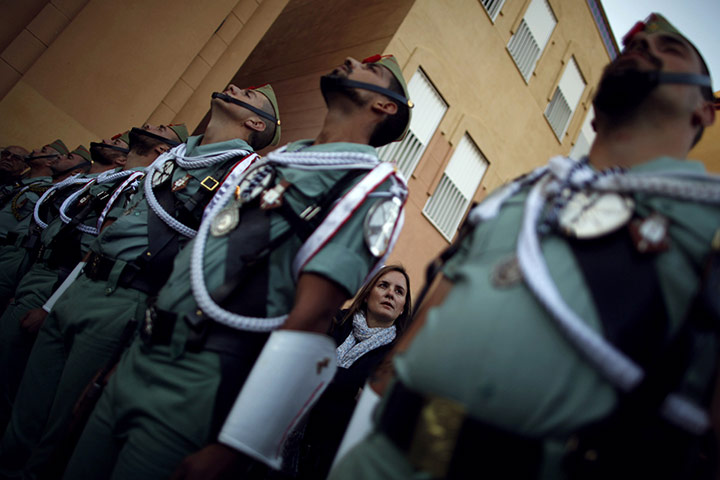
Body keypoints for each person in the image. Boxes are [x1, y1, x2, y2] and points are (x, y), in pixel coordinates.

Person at [330, 13, 720, 480]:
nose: (644, 52)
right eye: (634, 48)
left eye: (670, 52)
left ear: (705, 112)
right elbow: (422, 327)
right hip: (382, 455)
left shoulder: (709, 229)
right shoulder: (522, 196)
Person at [63, 53, 411, 480]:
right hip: (143, 354)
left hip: (198, 379)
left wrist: (237, 444)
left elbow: (313, 317)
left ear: (384, 106)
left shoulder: (369, 188)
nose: (353, 59)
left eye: (370, 70)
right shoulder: (282, 160)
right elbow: (197, 264)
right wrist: (121, 364)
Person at [0, 123, 191, 478]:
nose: (149, 125)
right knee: (27, 400)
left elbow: (93, 248)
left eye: (161, 128)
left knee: (45, 413)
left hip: (82, 289)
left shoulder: (146, 186)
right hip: (60, 282)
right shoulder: (110, 182)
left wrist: (50, 303)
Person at [294, 265, 412, 480]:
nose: (390, 294)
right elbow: (302, 364)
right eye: (383, 285)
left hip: (334, 455)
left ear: (403, 308)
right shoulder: (334, 321)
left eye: (399, 291)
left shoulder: (396, 357)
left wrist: (325, 373)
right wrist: (351, 388)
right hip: (291, 430)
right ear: (367, 295)